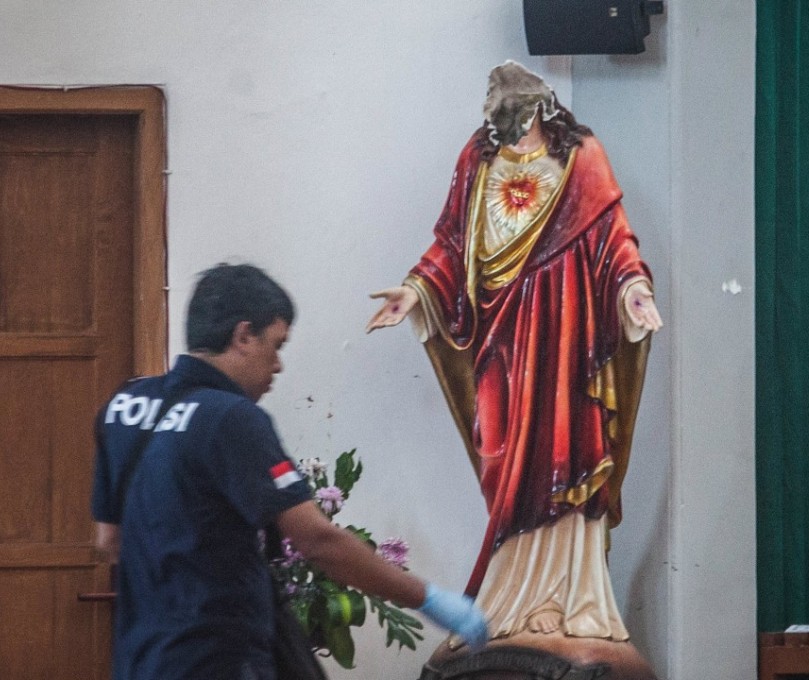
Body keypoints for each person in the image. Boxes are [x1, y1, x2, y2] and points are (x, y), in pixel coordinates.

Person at [367, 61, 662, 642]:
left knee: (566, 448)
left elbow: (613, 238)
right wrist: (417, 289)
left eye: (514, 114)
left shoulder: (581, 157)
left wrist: (633, 289)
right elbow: (452, 242)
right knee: (501, 453)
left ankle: (567, 596)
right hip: (499, 339)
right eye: (496, 114)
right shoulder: (477, 158)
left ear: (540, 109)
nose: (505, 124)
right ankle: (513, 592)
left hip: (567, 331)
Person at [91, 262, 487, 680]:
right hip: (216, 659)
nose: (278, 365)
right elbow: (317, 540)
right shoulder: (231, 417)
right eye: (277, 345)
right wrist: (428, 598)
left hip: (140, 659)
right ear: (244, 336)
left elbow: (109, 539)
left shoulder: (124, 406)